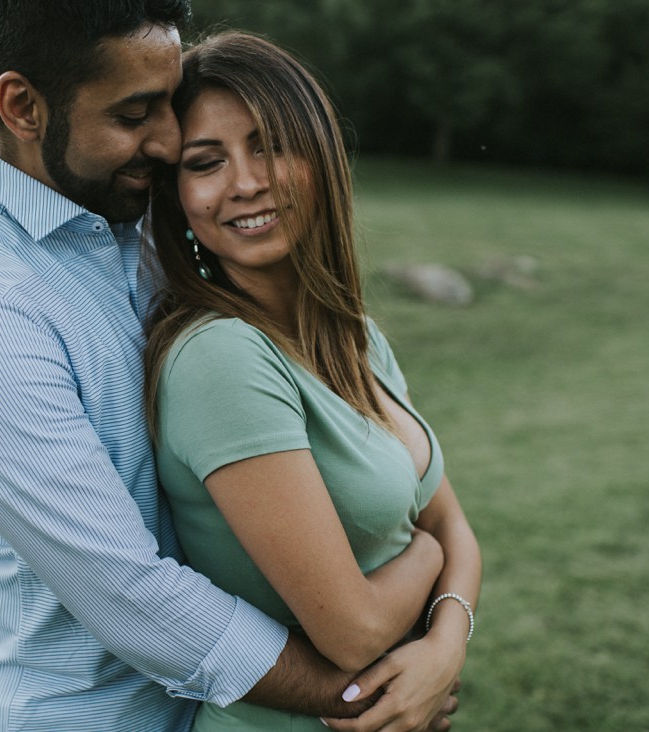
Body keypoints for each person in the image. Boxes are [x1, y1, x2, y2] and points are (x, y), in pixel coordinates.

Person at [0, 2, 461, 730]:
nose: (168, 141)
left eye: (169, 106)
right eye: (136, 114)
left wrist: (441, 636)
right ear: (22, 107)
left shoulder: (150, 239)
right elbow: (133, 595)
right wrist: (371, 694)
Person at [144, 31, 483, 731]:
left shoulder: (354, 334)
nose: (244, 182)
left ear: (319, 154)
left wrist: (445, 646)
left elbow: (453, 519)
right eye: (207, 163)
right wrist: (429, 556)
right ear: (180, 201)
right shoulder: (221, 359)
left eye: (268, 145)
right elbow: (353, 631)